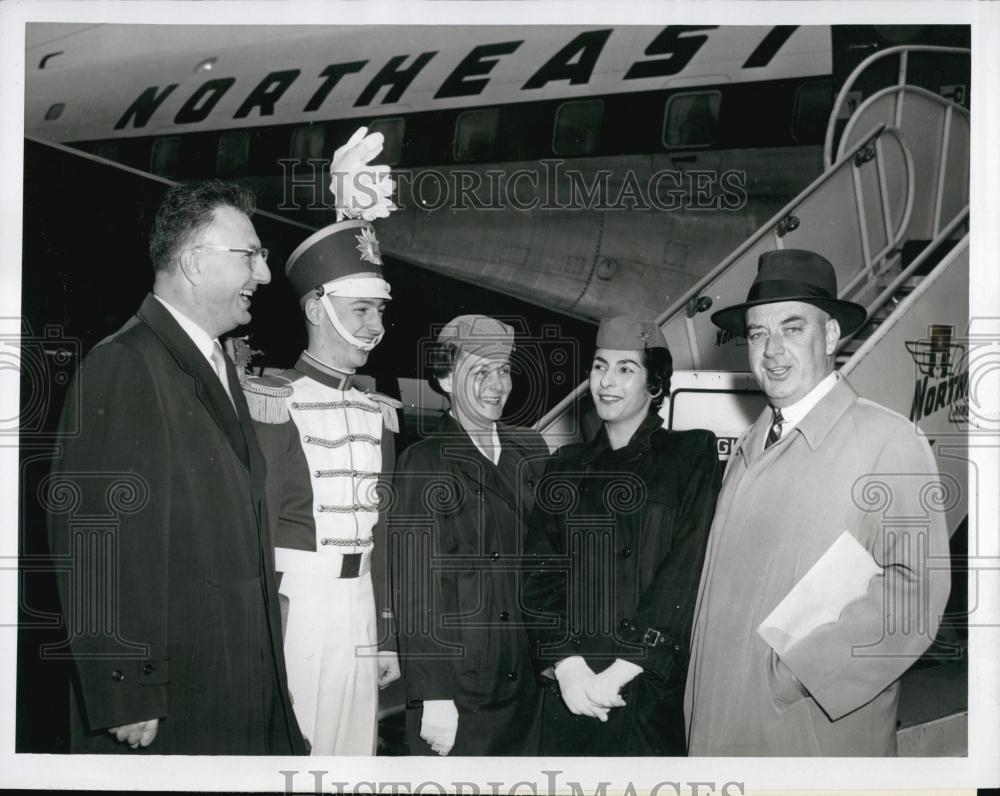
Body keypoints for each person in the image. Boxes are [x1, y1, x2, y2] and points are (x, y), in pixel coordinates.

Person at [46, 181, 305, 754]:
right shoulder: (125, 364)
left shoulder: (212, 363)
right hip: (171, 699)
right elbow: (96, 538)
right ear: (193, 263)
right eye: (250, 256)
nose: (263, 275)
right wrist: (127, 689)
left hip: (231, 672)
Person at [684, 249, 951, 756]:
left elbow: (913, 598)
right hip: (722, 730)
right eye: (759, 333)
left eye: (792, 328)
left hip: (806, 739)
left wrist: (793, 676)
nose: (772, 350)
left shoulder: (887, 440)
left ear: (830, 336)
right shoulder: (749, 448)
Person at [522, 316, 721, 755]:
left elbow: (685, 571)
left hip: (645, 688)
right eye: (599, 366)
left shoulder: (690, 456)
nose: (606, 382)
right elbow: (538, 576)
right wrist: (567, 666)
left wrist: (622, 669)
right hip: (570, 693)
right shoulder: (564, 467)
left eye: (626, 369)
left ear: (655, 384)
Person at [241, 216, 402, 755]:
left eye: (380, 309)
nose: (375, 324)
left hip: (358, 606)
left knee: (356, 757)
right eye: (361, 309)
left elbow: (380, 536)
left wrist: (383, 634)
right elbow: (255, 532)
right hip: (298, 610)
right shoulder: (271, 400)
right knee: (295, 756)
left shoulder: (377, 409)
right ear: (317, 309)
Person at [390, 315, 549, 756]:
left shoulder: (530, 449)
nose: (497, 385)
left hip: (530, 673)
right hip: (465, 686)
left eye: (504, 370)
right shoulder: (423, 462)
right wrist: (435, 697)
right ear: (444, 378)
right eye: (480, 371)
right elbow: (416, 587)